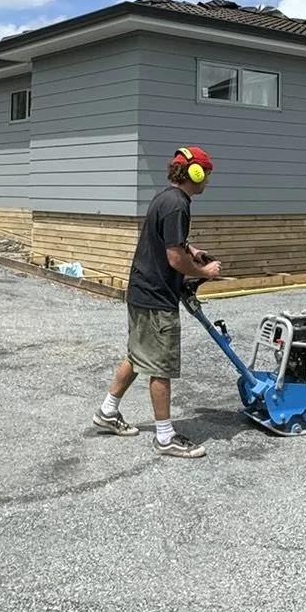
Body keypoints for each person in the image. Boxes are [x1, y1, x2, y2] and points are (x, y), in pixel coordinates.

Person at [94, 146, 223, 457]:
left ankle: (107, 411)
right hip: (156, 296)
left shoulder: (165, 197)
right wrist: (204, 270)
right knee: (160, 366)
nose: (207, 180)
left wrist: (190, 248)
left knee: (139, 354)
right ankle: (165, 437)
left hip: (141, 290)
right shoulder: (179, 205)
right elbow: (174, 258)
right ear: (195, 174)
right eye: (205, 174)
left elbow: (173, 243)